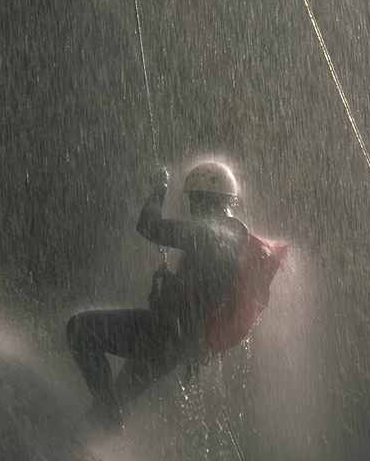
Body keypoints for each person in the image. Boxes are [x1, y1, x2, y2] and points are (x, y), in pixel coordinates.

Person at [66, 161, 287, 432]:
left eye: (195, 200)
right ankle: (86, 439)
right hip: (181, 343)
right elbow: (203, 293)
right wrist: (168, 287)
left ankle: (102, 421)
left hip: (163, 334)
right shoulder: (234, 238)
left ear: (207, 200)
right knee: (112, 401)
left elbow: (149, 226)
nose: (192, 208)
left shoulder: (213, 232)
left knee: (80, 329)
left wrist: (159, 189)